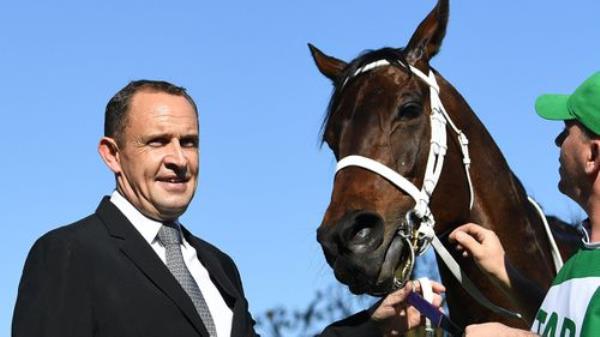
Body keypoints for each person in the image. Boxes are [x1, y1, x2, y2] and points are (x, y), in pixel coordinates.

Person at [12, 79, 443, 337]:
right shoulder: (66, 254)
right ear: (112, 154)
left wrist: (373, 324)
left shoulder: (217, 267)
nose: (179, 159)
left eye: (189, 142)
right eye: (157, 142)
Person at [449, 71, 600, 337]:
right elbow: (567, 324)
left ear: (593, 155)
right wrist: (502, 269)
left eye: (567, 130)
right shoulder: (586, 251)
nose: (557, 141)